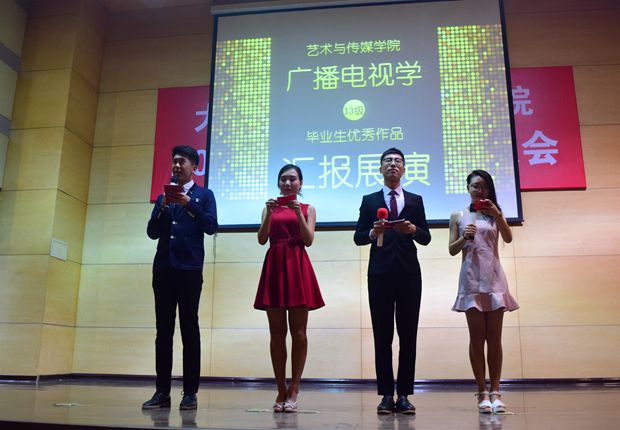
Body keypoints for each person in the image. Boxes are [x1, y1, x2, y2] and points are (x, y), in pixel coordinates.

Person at [354, 148, 431, 414]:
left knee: (408, 336)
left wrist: (413, 229)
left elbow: (426, 237)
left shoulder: (415, 200)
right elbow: (358, 237)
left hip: (409, 274)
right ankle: (387, 395)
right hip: (379, 274)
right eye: (388, 161)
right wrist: (372, 232)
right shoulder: (369, 200)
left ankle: (405, 395)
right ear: (380, 168)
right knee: (382, 336)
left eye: (398, 161)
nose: (393, 165)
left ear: (404, 169)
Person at [142, 145, 218, 410]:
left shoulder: (204, 195)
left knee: (189, 330)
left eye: (182, 161)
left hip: (189, 270)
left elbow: (211, 226)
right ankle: (162, 392)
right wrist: (163, 208)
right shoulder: (163, 197)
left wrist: (189, 205)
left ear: (194, 166)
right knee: (163, 332)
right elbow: (152, 232)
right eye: (174, 161)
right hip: (163, 270)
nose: (176, 166)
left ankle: (190, 393)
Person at [254, 164, 325, 413]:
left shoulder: (308, 208)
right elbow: (261, 239)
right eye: (283, 179)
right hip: (274, 265)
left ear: (300, 183)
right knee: (276, 334)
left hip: (297, 265)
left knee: (299, 333)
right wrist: (270, 213)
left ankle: (294, 388)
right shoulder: (269, 207)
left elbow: (309, 240)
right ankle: (280, 389)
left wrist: (297, 213)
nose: (287, 183)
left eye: (292, 179)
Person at [448, 170, 518, 414]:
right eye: (475, 186)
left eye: (484, 186)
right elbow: (452, 249)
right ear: (467, 188)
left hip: (494, 279)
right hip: (471, 280)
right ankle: (481, 391)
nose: (479, 190)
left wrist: (497, 214)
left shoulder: (494, 214)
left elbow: (508, 238)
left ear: (489, 190)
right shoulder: (458, 215)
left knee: (494, 338)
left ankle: (496, 391)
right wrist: (464, 238)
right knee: (477, 338)